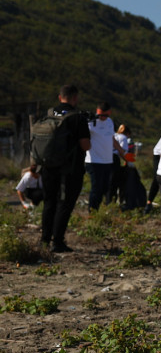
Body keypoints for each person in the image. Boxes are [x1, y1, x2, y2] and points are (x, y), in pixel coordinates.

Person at [37, 84, 90, 252]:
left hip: (47, 165)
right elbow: (85, 145)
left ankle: (44, 240)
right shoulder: (78, 118)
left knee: (49, 202)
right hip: (70, 168)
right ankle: (57, 241)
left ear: (60, 97)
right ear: (75, 98)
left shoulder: (49, 114)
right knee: (65, 204)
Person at [85, 104, 125, 211]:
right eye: (99, 115)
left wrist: (121, 151)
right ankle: (92, 212)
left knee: (105, 188)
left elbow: (112, 138)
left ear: (109, 113)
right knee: (96, 188)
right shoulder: (90, 122)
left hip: (107, 161)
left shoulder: (109, 122)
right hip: (94, 161)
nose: (101, 117)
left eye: (104, 115)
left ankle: (99, 209)